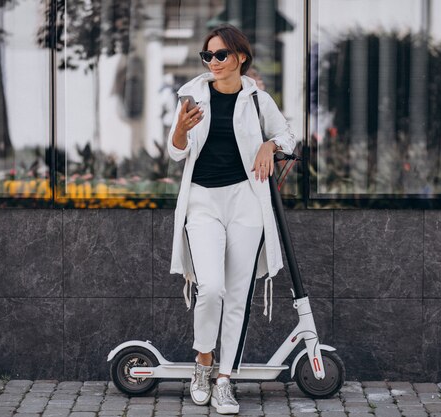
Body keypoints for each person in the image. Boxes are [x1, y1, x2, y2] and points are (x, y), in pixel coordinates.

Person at [167, 24, 296, 415]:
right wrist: (179, 129)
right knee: (210, 288)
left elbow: (289, 136)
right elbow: (175, 153)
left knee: (238, 295)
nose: (214, 62)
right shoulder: (191, 96)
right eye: (208, 56)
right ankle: (203, 364)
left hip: (245, 203)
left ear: (240, 56)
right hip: (203, 202)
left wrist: (269, 145)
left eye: (221, 55)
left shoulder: (258, 99)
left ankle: (225, 379)